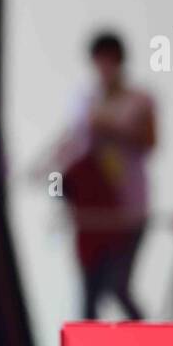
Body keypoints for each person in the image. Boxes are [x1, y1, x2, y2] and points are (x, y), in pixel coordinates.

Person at [57, 32, 155, 320]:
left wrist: (111, 128)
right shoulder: (83, 100)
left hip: (129, 210)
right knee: (88, 291)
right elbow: (71, 146)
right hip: (91, 211)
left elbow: (150, 142)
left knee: (118, 286)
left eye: (111, 60)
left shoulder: (140, 101)